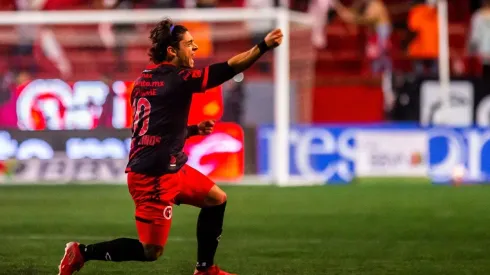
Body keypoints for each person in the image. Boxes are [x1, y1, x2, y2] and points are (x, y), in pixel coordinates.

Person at [57, 18, 283, 275]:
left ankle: (205, 269)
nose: (195, 48)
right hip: (153, 177)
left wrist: (193, 130)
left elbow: (154, 128)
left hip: (171, 168)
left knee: (216, 199)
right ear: (172, 51)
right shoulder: (179, 78)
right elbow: (228, 68)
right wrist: (262, 46)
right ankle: (82, 253)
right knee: (151, 251)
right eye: (189, 44)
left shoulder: (143, 80)